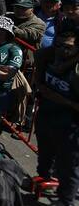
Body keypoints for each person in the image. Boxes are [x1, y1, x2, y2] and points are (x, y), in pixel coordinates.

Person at [32, 26, 79, 203]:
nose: (62, 50)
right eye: (58, 45)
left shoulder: (76, 72)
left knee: (69, 167)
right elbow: (39, 76)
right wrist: (40, 87)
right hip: (46, 117)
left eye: (67, 47)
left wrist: (60, 99)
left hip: (70, 126)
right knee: (44, 155)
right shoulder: (48, 57)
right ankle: (44, 179)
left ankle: (65, 201)